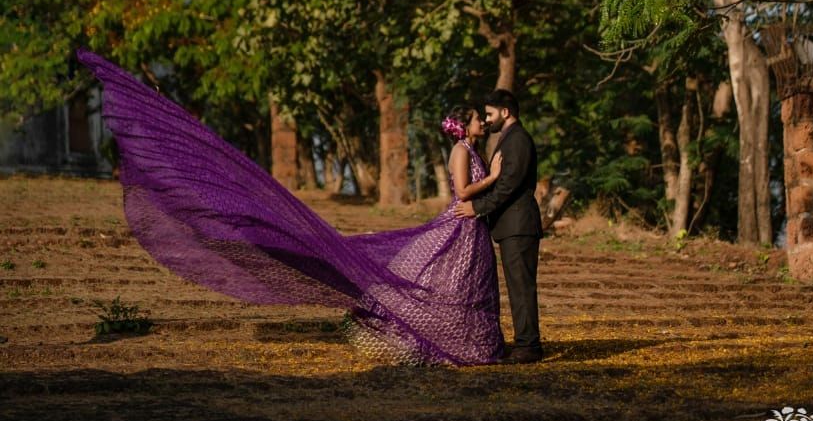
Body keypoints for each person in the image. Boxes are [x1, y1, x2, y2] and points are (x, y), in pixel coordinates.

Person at [75, 49, 505, 366]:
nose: (480, 122)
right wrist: (496, 177)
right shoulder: (462, 151)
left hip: (469, 229)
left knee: (460, 287)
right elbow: (463, 192)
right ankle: (444, 343)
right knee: (432, 284)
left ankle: (472, 344)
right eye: (475, 117)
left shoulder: (469, 145)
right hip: (462, 221)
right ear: (461, 123)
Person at [454, 88, 543, 363]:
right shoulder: (508, 138)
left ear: (506, 112)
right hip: (511, 225)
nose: (487, 120)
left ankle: (528, 346)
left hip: (518, 224)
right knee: (517, 285)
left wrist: (477, 208)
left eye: (490, 114)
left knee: (521, 286)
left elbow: (507, 186)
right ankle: (525, 342)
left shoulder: (517, 140)